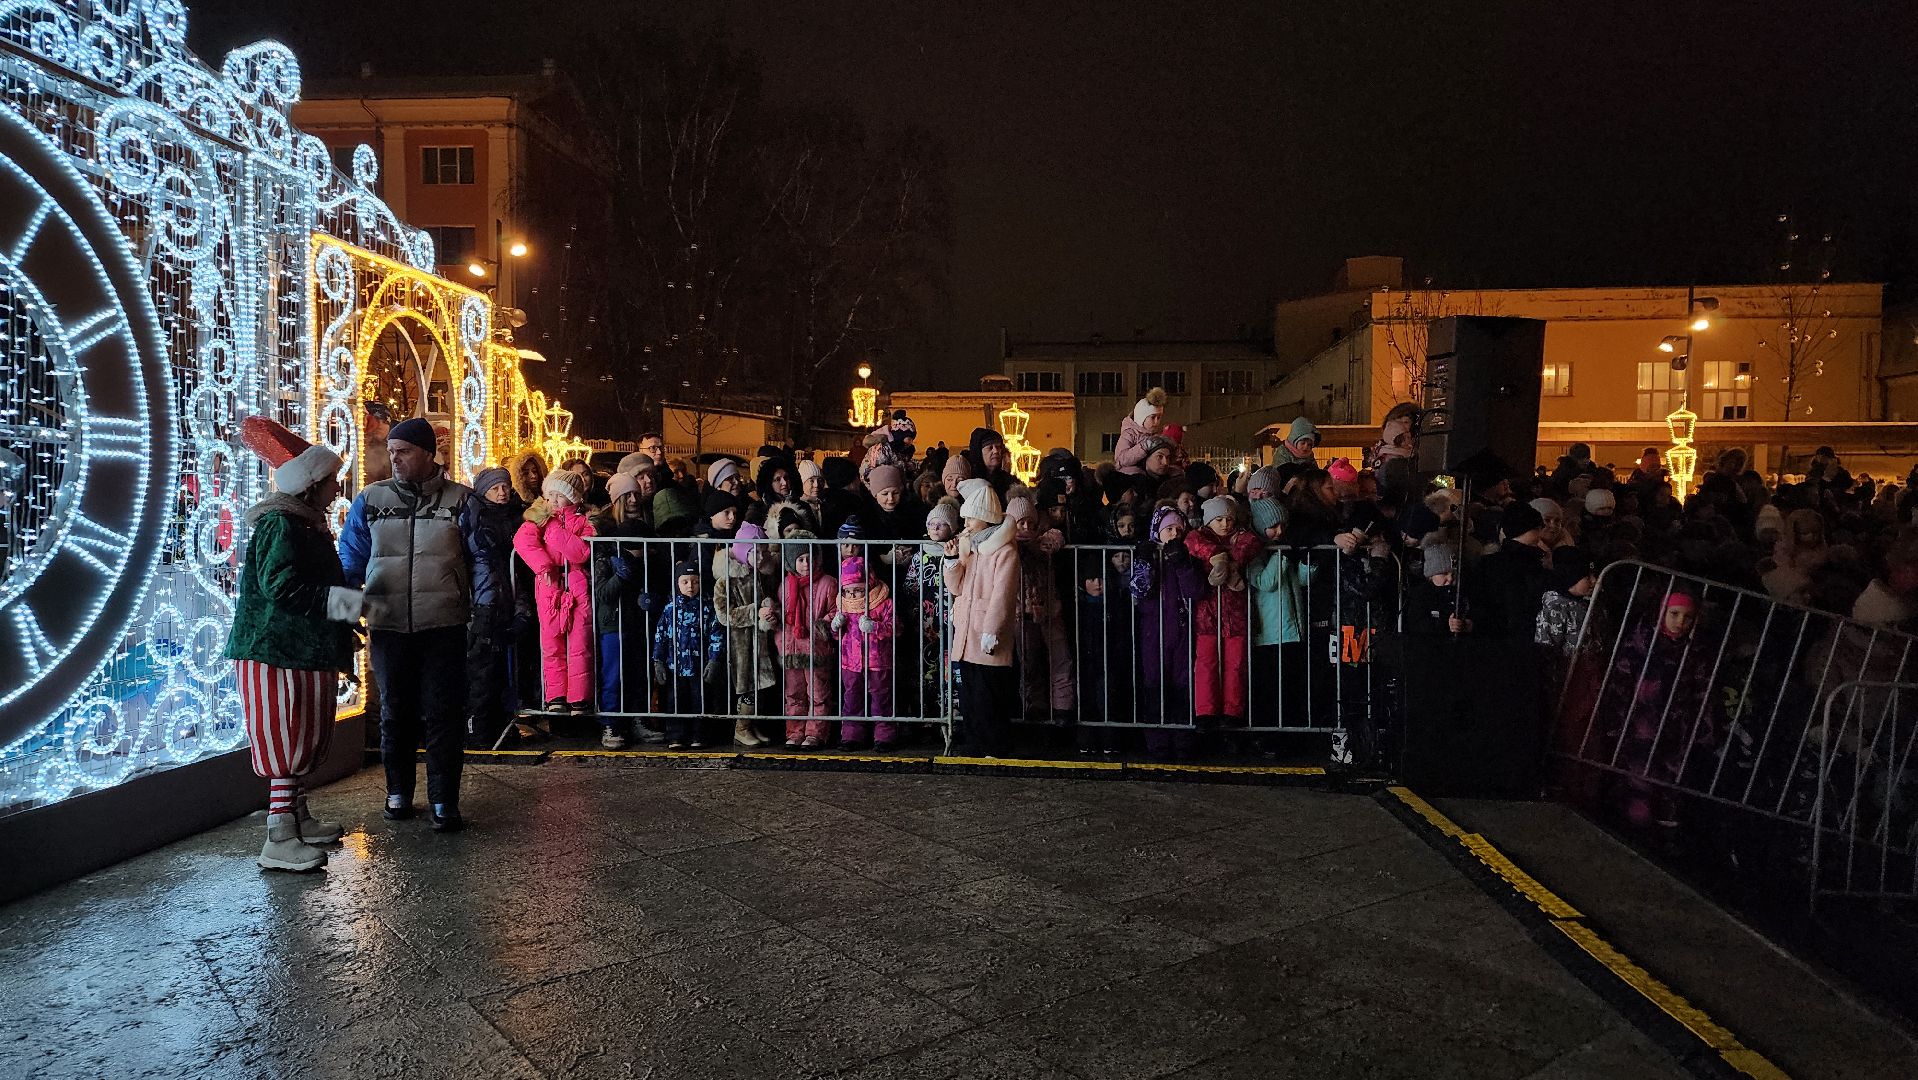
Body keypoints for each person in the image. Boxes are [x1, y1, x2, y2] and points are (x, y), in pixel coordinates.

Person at [225, 416, 362, 871]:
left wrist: (347, 615)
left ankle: (296, 817)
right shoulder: (282, 525)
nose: (337, 492)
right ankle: (279, 834)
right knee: (285, 739)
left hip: (295, 649)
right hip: (275, 650)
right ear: (312, 485)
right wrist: (346, 605)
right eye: (332, 483)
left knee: (301, 734)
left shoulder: (301, 523)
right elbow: (281, 586)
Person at [338, 416, 478, 832]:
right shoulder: (372, 499)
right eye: (392, 451)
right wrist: (343, 618)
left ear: (428, 454)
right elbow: (350, 560)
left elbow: (481, 562)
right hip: (388, 623)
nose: (394, 459)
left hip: (444, 624)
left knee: (443, 713)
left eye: (404, 452)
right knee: (396, 711)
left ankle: (443, 800)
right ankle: (397, 792)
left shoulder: (461, 501)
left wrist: (484, 611)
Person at [514, 468, 596, 717]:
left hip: (576, 580)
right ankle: (556, 695)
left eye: (559, 495)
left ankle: (579, 697)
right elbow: (523, 541)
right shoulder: (536, 518)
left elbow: (581, 553)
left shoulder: (582, 522)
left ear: (573, 498)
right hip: (549, 584)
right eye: (549, 494)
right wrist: (543, 565)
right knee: (551, 642)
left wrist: (551, 529)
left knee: (579, 640)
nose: (553, 500)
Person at [946, 478, 1020, 755]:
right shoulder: (972, 547)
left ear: (985, 519)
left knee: (988, 695)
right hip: (968, 630)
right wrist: (952, 562)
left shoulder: (1005, 551)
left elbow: (1003, 593)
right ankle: (977, 743)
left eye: (970, 519)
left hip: (984, 631)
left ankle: (993, 744)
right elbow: (957, 588)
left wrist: (993, 629)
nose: (965, 525)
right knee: (970, 696)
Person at [1184, 495, 1262, 730]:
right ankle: (1205, 712)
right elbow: (1192, 540)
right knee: (1207, 663)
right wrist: (1217, 556)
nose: (1225, 524)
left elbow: (1251, 542)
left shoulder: (1242, 537)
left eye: (1228, 519)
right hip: (1208, 615)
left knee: (1235, 665)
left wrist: (1231, 564)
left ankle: (1232, 712)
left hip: (1235, 616)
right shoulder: (1201, 537)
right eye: (1219, 519)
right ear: (1209, 521)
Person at [465, 466, 521, 749]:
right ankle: (479, 730)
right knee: (482, 670)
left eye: (505, 487)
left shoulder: (512, 516)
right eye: (496, 488)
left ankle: (500, 727)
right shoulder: (476, 516)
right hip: (484, 601)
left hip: (503, 598)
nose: (502, 492)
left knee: (501, 670)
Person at [712, 522, 781, 746]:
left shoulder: (759, 575)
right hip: (740, 643)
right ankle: (741, 728)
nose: (761, 557)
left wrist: (771, 612)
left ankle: (752, 725)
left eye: (763, 552)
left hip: (759, 641)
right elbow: (725, 615)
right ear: (743, 551)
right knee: (746, 684)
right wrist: (756, 612)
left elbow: (770, 601)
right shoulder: (726, 581)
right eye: (756, 552)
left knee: (759, 684)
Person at [651, 561, 726, 749]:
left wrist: (715, 660)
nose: (690, 586)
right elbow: (660, 635)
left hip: (700, 666)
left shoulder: (708, 608)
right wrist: (657, 661)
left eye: (695, 581)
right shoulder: (670, 608)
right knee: (675, 701)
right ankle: (675, 736)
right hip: (674, 666)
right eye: (685, 582)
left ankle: (699, 736)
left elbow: (716, 634)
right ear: (677, 583)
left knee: (701, 701)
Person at [777, 532, 838, 749]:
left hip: (815, 648)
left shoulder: (829, 583)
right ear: (791, 562)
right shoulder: (785, 584)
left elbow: (835, 611)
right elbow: (783, 614)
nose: (806, 564)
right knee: (794, 693)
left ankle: (816, 732)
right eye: (800, 559)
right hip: (792, 649)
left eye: (810, 558)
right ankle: (795, 732)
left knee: (818, 692)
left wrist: (821, 626)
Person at [834, 555, 899, 750]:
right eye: (848, 591)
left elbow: (896, 627)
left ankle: (884, 735)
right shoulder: (843, 606)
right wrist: (835, 626)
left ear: (869, 584)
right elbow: (838, 635)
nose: (853, 596)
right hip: (850, 662)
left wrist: (876, 627)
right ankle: (852, 735)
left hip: (878, 661)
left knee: (881, 698)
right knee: (852, 698)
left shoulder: (884, 603)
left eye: (858, 590)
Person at [1113, 388, 1168, 476]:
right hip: (1132, 475)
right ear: (1142, 418)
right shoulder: (1130, 433)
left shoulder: (1157, 434)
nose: (1156, 422)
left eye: (1159, 417)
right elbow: (1121, 459)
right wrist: (1143, 447)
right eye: (1153, 417)